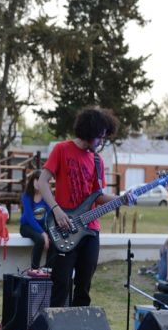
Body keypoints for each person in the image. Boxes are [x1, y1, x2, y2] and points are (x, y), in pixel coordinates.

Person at [38, 106, 135, 308]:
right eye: (99, 137)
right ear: (88, 132)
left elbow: (97, 197)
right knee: (61, 284)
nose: (101, 142)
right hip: (64, 228)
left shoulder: (97, 161)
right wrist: (56, 210)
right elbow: (42, 182)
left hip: (91, 231)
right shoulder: (61, 150)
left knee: (84, 288)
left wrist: (121, 199)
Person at [19, 170, 53, 271]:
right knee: (40, 240)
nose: (38, 183)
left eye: (41, 180)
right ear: (32, 181)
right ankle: (34, 269)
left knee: (54, 239)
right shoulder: (27, 196)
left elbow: (50, 215)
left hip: (41, 227)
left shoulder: (46, 196)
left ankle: (48, 269)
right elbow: (30, 218)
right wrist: (43, 233)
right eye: (36, 180)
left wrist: (49, 231)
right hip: (26, 227)